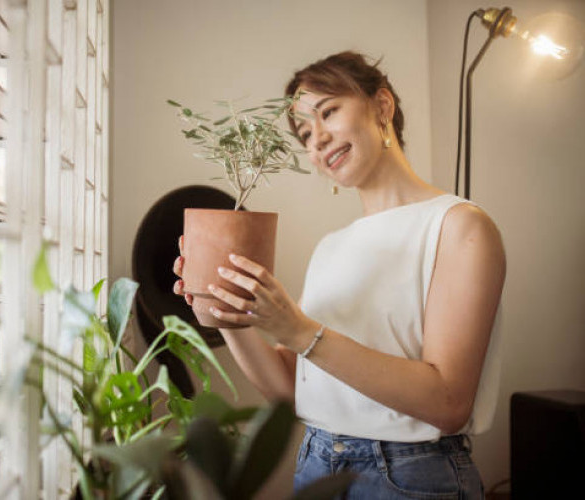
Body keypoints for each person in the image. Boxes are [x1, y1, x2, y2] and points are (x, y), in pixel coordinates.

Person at [173, 51, 505, 499]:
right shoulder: (331, 247)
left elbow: (447, 402)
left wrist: (300, 331)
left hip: (409, 477)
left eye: (329, 112)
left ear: (382, 106)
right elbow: (293, 390)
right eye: (305, 133)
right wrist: (223, 307)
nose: (317, 140)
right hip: (316, 465)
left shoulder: (459, 225)